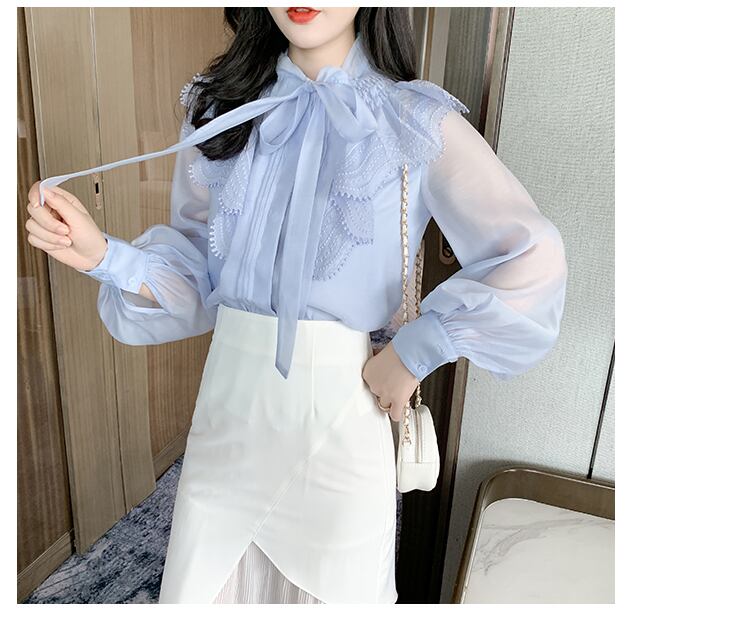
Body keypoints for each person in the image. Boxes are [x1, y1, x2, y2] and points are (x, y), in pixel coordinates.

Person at [24, 7, 568, 604]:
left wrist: (415, 352)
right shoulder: (218, 110)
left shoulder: (413, 119)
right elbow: (199, 276)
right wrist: (105, 256)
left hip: (340, 421)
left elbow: (532, 256)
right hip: (226, 420)